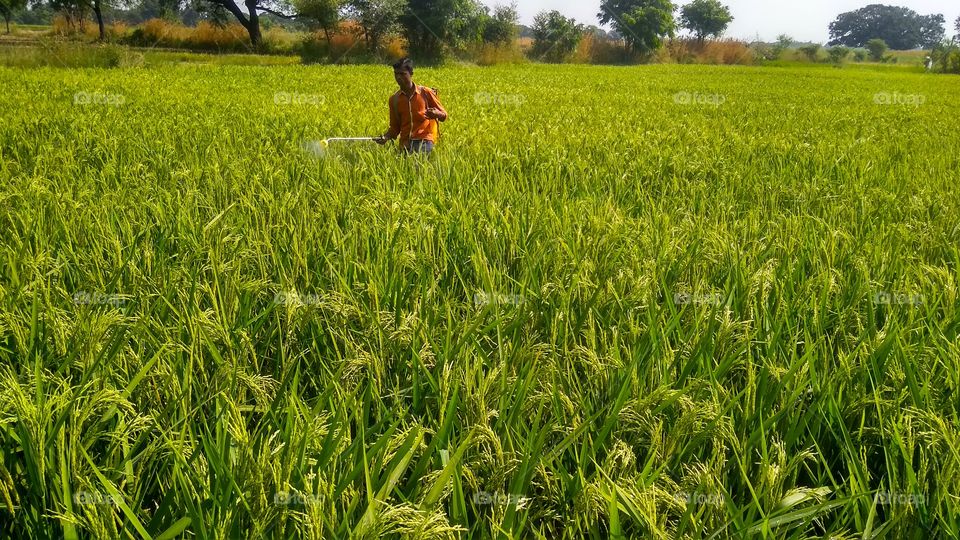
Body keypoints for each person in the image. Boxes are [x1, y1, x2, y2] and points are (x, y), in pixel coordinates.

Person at [376, 58, 448, 155]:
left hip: (424, 141)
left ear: (411, 73)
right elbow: (394, 128)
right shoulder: (394, 100)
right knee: (403, 169)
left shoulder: (426, 93)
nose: (398, 77)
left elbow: (444, 115)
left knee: (417, 166)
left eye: (402, 74)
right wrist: (386, 137)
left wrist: (436, 113)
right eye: (396, 74)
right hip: (405, 144)